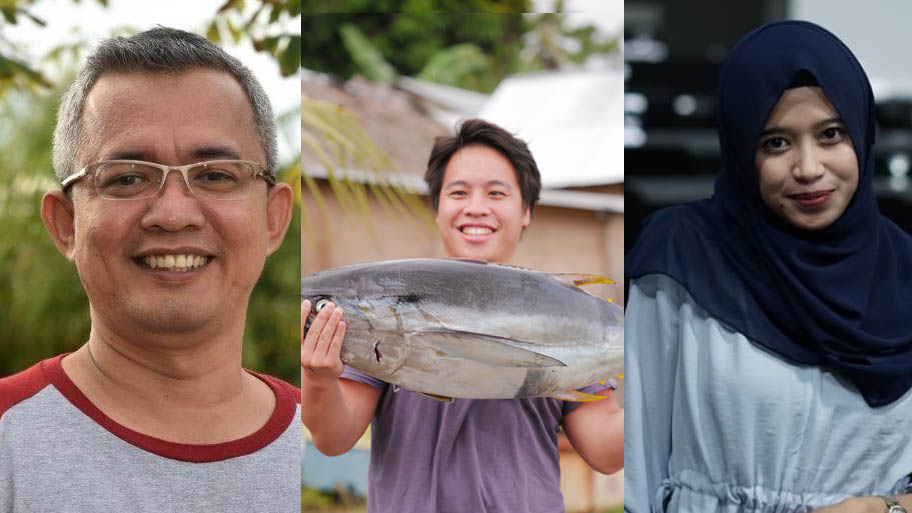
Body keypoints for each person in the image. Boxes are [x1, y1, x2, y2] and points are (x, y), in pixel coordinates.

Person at [0, 28, 297, 513]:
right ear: (66, 224)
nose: (174, 214)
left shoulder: (334, 448)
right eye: (129, 178)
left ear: (272, 219)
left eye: (216, 175)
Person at [624, 20, 912, 513]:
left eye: (831, 134)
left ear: (861, 133)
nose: (808, 167)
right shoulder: (681, 256)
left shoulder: (905, 272)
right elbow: (639, 462)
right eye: (775, 142)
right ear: (740, 150)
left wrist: (884, 509)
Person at [301, 118, 624, 512]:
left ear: (526, 211)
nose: (476, 208)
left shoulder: (568, 310)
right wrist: (319, 379)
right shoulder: (384, 304)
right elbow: (334, 439)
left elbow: (606, 452)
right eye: (458, 192)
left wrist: (657, 384)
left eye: (496, 193)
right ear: (437, 209)